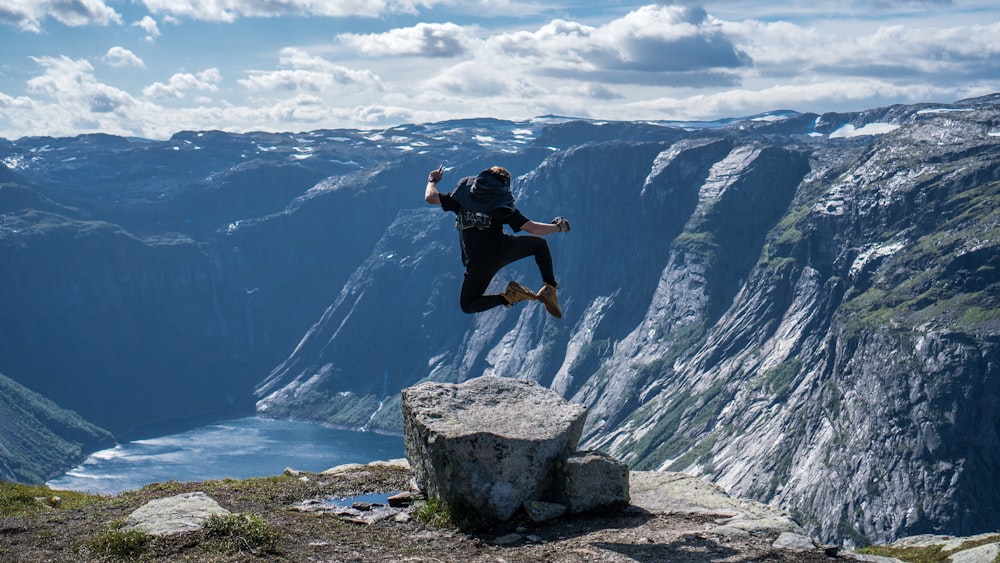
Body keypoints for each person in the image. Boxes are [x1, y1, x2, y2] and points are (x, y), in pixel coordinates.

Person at [424, 164, 570, 317]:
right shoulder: (502, 206)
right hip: (503, 249)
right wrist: (560, 227)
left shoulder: (460, 199)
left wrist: (432, 180)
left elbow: (430, 197)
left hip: (478, 264)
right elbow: (534, 229)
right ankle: (550, 289)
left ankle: (509, 296)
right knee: (539, 245)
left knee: (468, 305)